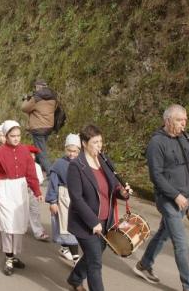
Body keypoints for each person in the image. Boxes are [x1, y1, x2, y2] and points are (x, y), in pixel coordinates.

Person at [133, 104, 189, 291]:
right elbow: (156, 176)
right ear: (167, 121)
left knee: (163, 233)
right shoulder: (156, 143)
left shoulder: (185, 138)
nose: (183, 124)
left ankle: (144, 265)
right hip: (168, 199)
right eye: (179, 120)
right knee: (181, 243)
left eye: (185, 120)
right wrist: (175, 195)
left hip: (185, 196)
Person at [65, 125, 131, 291]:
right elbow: (77, 198)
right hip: (85, 223)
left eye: (100, 141)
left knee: (92, 256)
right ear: (85, 143)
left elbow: (113, 187)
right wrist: (93, 221)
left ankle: (75, 278)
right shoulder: (76, 166)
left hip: (106, 221)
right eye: (95, 142)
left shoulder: (104, 160)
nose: (99, 145)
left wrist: (122, 193)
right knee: (95, 263)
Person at [0, 120, 42, 276]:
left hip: (20, 189)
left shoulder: (25, 151)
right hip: (4, 189)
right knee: (7, 223)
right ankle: (8, 257)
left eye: (18, 135)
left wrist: (37, 191)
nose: (16, 138)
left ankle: (13, 255)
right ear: (6, 136)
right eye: (13, 136)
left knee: (17, 225)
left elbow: (31, 173)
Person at [46, 133, 82, 266]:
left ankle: (65, 247)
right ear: (65, 149)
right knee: (67, 227)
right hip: (64, 198)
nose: (72, 154)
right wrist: (53, 201)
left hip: (77, 199)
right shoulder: (59, 164)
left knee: (77, 227)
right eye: (69, 150)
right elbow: (53, 184)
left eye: (75, 151)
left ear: (79, 150)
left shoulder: (82, 163)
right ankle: (76, 258)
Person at [20, 79, 57, 174]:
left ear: (38, 87)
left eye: (36, 87)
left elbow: (24, 108)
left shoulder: (36, 98)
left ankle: (51, 172)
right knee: (40, 149)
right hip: (49, 126)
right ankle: (36, 169)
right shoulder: (53, 96)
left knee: (41, 152)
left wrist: (25, 99)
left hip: (38, 127)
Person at [26, 145, 50, 241]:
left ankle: (39, 232)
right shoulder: (20, 165)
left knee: (35, 211)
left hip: (33, 191)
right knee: (21, 210)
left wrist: (34, 187)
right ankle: (20, 227)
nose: (32, 156)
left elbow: (40, 179)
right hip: (21, 191)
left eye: (33, 154)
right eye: (29, 154)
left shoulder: (37, 166)